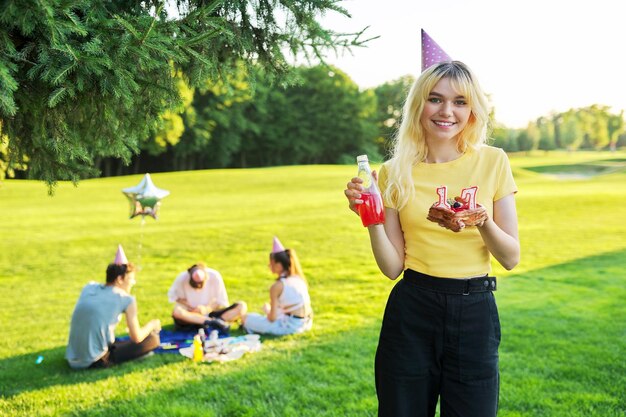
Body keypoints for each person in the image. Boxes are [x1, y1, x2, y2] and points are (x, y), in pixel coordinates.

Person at [344, 60, 520, 417]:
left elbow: (511, 256)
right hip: (413, 311)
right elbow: (392, 267)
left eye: (460, 101)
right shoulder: (395, 171)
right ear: (418, 105)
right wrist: (372, 216)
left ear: (472, 110)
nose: (447, 111)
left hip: (474, 312)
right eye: (435, 99)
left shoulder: (493, 161)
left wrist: (481, 221)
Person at [65, 245, 161, 369]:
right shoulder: (126, 299)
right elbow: (137, 337)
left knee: (119, 341)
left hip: (72, 358)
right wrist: (152, 324)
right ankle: (139, 354)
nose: (133, 282)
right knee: (153, 339)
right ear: (120, 279)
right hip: (94, 360)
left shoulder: (89, 287)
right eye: (131, 278)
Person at [242, 237, 313, 335]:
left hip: (290, 327)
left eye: (271, 264)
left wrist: (267, 311)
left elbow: (272, 318)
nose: (269, 266)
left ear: (279, 265)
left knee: (247, 318)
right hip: (306, 323)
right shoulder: (298, 278)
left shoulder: (277, 286)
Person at [167, 262, 246, 331]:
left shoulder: (214, 276)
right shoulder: (182, 278)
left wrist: (206, 309)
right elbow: (174, 297)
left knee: (241, 306)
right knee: (177, 312)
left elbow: (220, 301)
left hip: (211, 312)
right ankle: (212, 323)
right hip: (191, 315)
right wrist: (191, 307)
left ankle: (216, 322)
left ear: (206, 277)